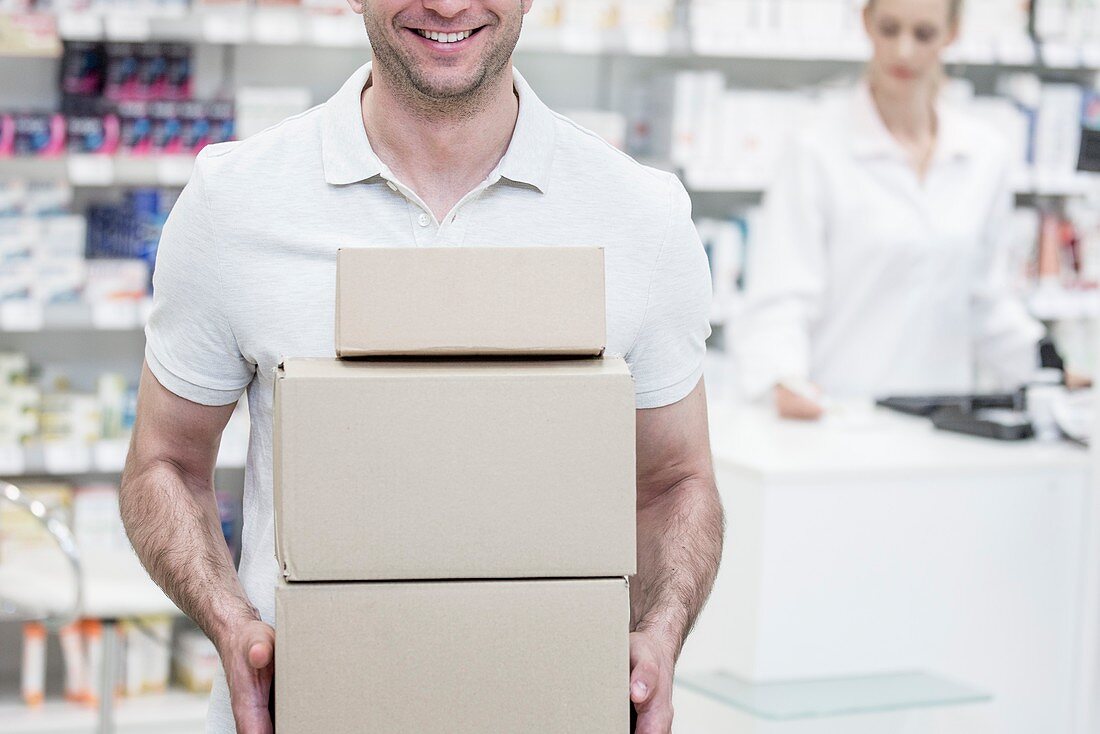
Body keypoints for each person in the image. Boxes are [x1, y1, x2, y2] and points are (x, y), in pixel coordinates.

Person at [118, 2, 723, 733]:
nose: (447, 5)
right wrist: (231, 623)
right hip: (311, 710)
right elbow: (165, 463)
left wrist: (660, 633)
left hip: (549, 706)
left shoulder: (641, 216)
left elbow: (675, 482)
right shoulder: (235, 202)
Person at [732, 0, 1058, 420]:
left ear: (951, 33)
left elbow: (985, 299)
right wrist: (782, 378)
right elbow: (780, 296)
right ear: (866, 23)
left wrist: (1051, 368)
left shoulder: (985, 155)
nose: (904, 51)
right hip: (841, 416)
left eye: (923, 34)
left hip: (945, 423)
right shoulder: (815, 149)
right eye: (889, 29)